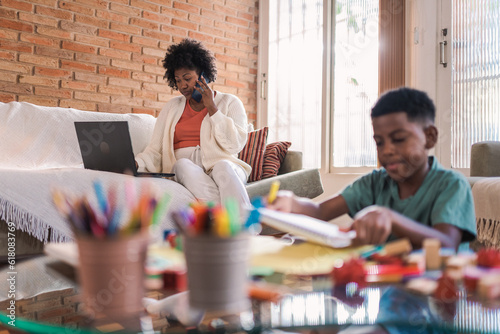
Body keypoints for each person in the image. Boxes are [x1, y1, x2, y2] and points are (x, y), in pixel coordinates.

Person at [268, 87, 476, 250]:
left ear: (429, 137)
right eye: (379, 142)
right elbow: (321, 211)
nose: (387, 151)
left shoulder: (451, 184)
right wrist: (293, 203)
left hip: (441, 294)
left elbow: (447, 243)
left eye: (399, 139)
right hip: (388, 289)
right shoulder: (374, 183)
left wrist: (390, 217)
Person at [135, 39, 251, 212]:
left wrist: (212, 108)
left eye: (187, 78)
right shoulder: (171, 107)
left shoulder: (230, 102)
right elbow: (154, 150)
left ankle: (243, 227)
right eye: (178, 80)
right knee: (181, 165)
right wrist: (136, 164)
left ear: (203, 74)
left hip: (224, 166)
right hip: (188, 170)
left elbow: (234, 145)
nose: (182, 85)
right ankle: (227, 222)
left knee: (223, 166)